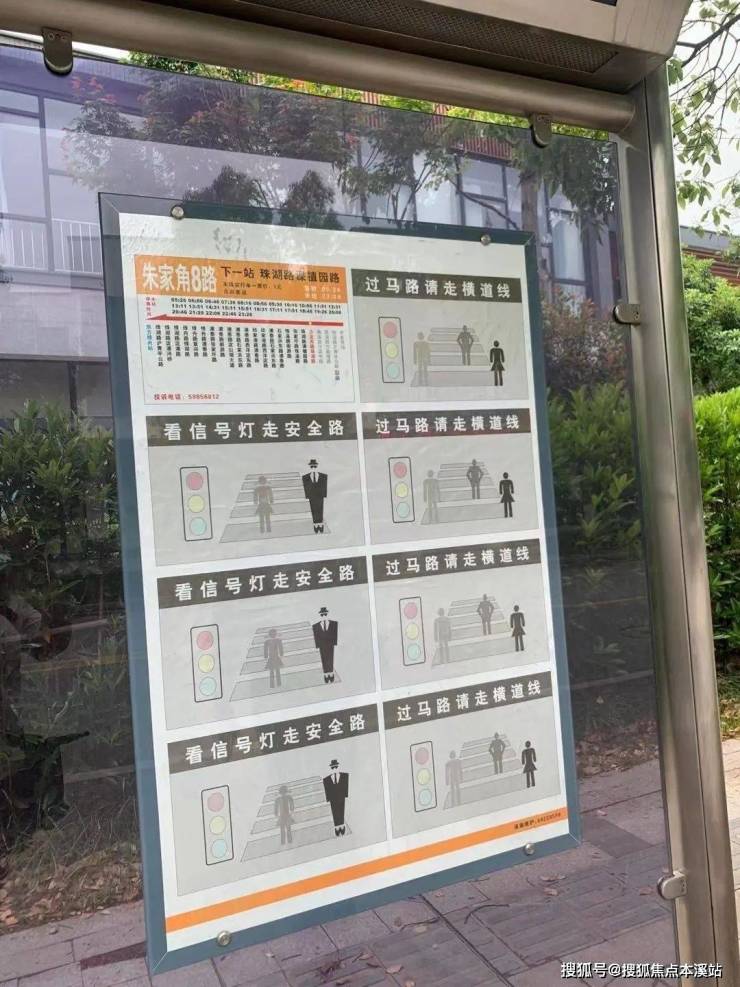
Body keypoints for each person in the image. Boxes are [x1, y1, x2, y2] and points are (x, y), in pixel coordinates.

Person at [323, 758, 349, 836]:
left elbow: (345, 785)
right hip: (333, 798)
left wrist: (345, 794)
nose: (334, 769)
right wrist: (328, 798)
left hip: (341, 796)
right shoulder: (326, 779)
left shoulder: (344, 775)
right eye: (332, 767)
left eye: (336, 767)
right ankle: (337, 828)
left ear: (338, 766)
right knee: (334, 812)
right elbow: (327, 789)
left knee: (341, 810)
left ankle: (342, 826)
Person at [312, 606, 338, 683]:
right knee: (324, 659)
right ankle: (326, 675)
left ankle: (331, 674)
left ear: (327, 614)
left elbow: (334, 634)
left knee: (330, 658)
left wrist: (334, 643)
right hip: (322, 645)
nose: (324, 616)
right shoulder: (316, 626)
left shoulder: (334, 623)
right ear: (320, 615)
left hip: (330, 644)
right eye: (322, 615)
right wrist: (318, 645)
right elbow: (316, 636)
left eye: (325, 614)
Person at [302, 458, 328, 533]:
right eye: (311, 466)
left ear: (317, 466)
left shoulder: (323, 476)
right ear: (309, 467)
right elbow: (306, 487)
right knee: (313, 510)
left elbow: (324, 485)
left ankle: (321, 526)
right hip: (311, 496)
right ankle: (316, 527)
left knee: (320, 510)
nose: (313, 468)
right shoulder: (305, 477)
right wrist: (307, 496)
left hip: (320, 496)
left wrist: (324, 495)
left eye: (315, 466)